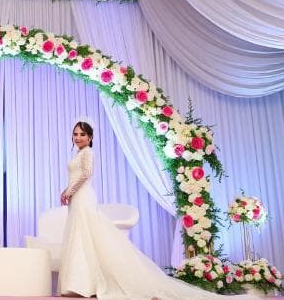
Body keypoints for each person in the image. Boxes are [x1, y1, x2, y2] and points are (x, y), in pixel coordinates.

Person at [58, 120, 258, 300]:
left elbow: (87, 173)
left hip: (83, 197)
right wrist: (67, 191)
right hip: (77, 198)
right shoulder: (78, 153)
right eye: (75, 134)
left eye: (82, 134)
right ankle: (81, 283)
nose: (78, 137)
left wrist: (69, 190)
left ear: (90, 137)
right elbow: (78, 174)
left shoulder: (88, 152)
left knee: (87, 236)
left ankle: (91, 283)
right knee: (81, 237)